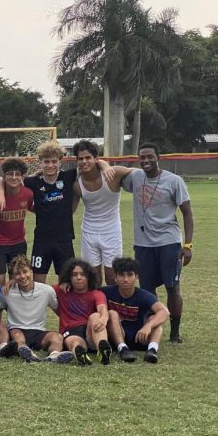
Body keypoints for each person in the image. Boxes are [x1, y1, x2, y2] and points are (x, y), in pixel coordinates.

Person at [121, 142, 194, 343]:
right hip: (143, 243)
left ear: (158, 157)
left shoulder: (174, 181)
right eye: (142, 157)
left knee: (172, 286)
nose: (146, 160)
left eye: (149, 156)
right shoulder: (135, 177)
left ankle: (174, 332)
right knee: (146, 289)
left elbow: (187, 212)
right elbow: (116, 175)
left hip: (168, 242)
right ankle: (151, 328)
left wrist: (187, 245)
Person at [0, 142, 76, 284]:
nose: (50, 165)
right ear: (40, 163)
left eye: (54, 161)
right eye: (46, 162)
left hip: (65, 239)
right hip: (42, 240)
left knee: (66, 281)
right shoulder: (32, 181)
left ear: (60, 161)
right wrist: (0, 192)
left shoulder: (69, 176)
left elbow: (93, 166)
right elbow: (3, 178)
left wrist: (105, 166)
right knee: (37, 283)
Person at [72, 140, 131, 286]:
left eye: (88, 158)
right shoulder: (76, 184)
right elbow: (70, 210)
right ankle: (98, 308)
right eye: (80, 158)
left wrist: (105, 165)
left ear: (96, 158)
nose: (84, 161)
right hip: (89, 232)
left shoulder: (113, 173)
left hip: (111, 232)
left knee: (112, 278)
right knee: (93, 279)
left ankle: (113, 308)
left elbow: (137, 173)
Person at [0, 255, 73, 363]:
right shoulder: (7, 292)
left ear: (31, 272)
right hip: (17, 328)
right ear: (13, 277)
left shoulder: (46, 291)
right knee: (18, 337)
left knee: (57, 337)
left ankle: (54, 356)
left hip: (38, 331)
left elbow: (60, 312)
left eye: (25, 271)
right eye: (17, 274)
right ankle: (26, 352)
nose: (22, 276)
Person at [102, 257, 169, 363]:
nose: (125, 279)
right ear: (115, 277)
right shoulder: (106, 292)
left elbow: (164, 312)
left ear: (136, 276)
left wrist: (148, 326)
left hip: (140, 337)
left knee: (154, 320)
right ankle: (122, 349)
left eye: (129, 275)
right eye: (121, 275)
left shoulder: (143, 295)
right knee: (112, 313)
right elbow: (87, 293)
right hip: (118, 336)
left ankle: (152, 350)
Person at [54, 258, 110, 366]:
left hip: (90, 329)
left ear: (88, 277)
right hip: (71, 330)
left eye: (82, 274)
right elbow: (39, 288)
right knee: (75, 342)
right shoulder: (61, 290)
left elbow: (102, 308)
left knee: (95, 316)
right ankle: (80, 354)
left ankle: (103, 349)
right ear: (69, 277)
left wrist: (103, 317)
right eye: (74, 275)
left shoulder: (96, 293)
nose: (78, 278)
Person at [0, 157, 34, 286]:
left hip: (18, 243)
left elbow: (34, 208)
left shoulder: (28, 194)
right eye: (10, 174)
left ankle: (13, 306)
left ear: (22, 177)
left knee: (18, 279)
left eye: (17, 174)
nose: (14, 177)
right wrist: (0, 193)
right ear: (4, 176)